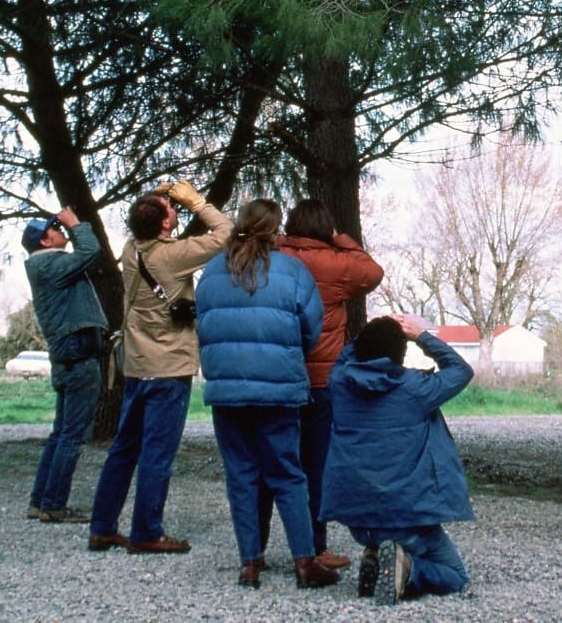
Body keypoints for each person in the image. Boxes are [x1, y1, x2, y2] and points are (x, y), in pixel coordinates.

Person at [195, 198, 338, 591]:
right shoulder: (293, 270)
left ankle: (250, 563)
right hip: (279, 388)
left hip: (227, 389)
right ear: (276, 230)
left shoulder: (211, 271)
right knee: (288, 475)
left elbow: (204, 326)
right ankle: (305, 562)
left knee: (241, 475)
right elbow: (311, 329)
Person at [87, 180, 233, 555]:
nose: (176, 212)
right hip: (168, 367)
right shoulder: (172, 256)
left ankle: (102, 527)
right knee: (157, 454)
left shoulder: (129, 249)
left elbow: (147, 225)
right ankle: (146, 532)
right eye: (171, 211)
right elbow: (226, 233)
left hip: (137, 364)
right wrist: (197, 202)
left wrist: (154, 203)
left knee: (124, 448)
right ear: (166, 226)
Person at [320, 313, 474, 605]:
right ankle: (407, 568)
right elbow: (461, 370)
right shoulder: (416, 388)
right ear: (401, 353)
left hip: (358, 521)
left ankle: (378, 556)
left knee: (387, 537)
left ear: (361, 346)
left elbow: (344, 357)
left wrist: (370, 331)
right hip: (406, 518)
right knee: (454, 575)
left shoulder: (340, 383)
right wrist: (421, 335)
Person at [271, 198, 384, 570]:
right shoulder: (338, 266)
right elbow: (373, 271)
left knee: (270, 462)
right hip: (321, 379)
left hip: (280, 373)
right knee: (315, 465)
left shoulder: (275, 255)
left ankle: (255, 552)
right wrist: (342, 239)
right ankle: (315, 548)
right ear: (326, 228)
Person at [22, 206, 106, 524]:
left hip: (66, 358)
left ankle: (39, 501)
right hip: (79, 356)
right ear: (45, 241)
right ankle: (54, 505)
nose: (62, 231)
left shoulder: (44, 266)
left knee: (60, 434)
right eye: (56, 228)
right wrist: (76, 223)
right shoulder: (51, 264)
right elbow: (91, 249)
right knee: (72, 435)